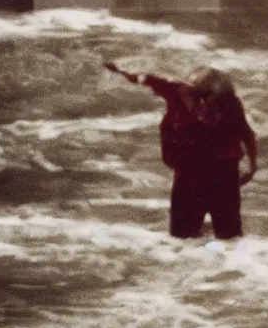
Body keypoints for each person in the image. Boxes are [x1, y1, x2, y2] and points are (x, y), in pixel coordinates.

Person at [104, 62, 258, 239]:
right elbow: (143, 77)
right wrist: (121, 72)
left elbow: (248, 136)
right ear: (196, 91)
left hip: (219, 176)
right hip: (194, 175)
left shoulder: (230, 104)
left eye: (219, 100)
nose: (211, 106)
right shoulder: (177, 91)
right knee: (184, 239)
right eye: (208, 98)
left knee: (227, 238)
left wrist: (253, 167)